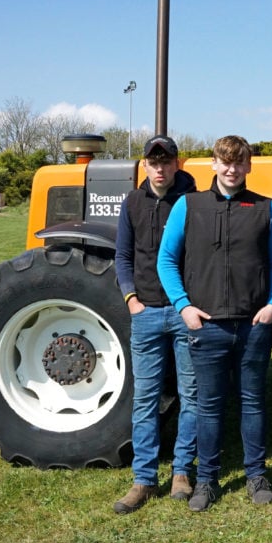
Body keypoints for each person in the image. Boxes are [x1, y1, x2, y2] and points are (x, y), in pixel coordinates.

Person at [157, 135, 272, 512]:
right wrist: (184, 307)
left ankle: (256, 474)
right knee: (208, 407)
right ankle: (207, 480)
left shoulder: (266, 209)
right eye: (224, 162)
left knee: (253, 404)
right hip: (206, 326)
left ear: (248, 166)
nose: (231, 169)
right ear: (213, 164)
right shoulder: (188, 206)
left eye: (238, 162)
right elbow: (166, 261)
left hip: (252, 325)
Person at [112, 135, 198, 514]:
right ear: (144, 165)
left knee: (191, 396)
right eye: (153, 162)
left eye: (167, 162)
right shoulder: (132, 203)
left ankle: (182, 473)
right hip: (146, 312)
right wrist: (131, 298)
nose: (160, 168)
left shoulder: (195, 201)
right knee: (145, 398)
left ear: (178, 164)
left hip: (183, 313)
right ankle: (144, 478)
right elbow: (122, 255)